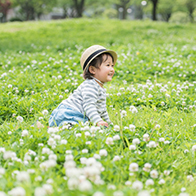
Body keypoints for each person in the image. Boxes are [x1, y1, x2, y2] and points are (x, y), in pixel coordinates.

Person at [49, 45, 117, 127]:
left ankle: (53, 127)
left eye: (112, 65)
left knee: (84, 126)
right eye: (108, 65)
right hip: (69, 113)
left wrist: (109, 123)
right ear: (92, 70)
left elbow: (102, 110)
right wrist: (98, 121)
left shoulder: (99, 87)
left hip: (72, 114)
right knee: (78, 129)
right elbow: (89, 106)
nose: (112, 69)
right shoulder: (90, 85)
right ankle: (51, 128)